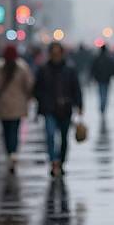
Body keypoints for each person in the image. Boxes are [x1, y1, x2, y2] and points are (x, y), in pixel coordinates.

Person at [34, 42, 83, 177]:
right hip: (49, 108)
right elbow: (37, 89)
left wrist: (79, 105)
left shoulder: (69, 70)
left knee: (64, 138)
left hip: (65, 108)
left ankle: (61, 161)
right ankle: (53, 160)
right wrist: (42, 101)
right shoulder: (43, 70)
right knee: (50, 135)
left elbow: (76, 88)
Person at [0, 44, 34, 173]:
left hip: (3, 104)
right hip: (18, 104)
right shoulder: (22, 67)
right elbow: (29, 84)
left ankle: (9, 152)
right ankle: (13, 152)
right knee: (14, 129)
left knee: (6, 130)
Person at [90, 44, 114, 115]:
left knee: (101, 93)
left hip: (99, 79)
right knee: (105, 93)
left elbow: (93, 68)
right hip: (107, 79)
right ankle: (103, 105)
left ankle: (102, 105)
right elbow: (113, 68)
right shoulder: (109, 59)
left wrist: (93, 76)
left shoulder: (97, 58)